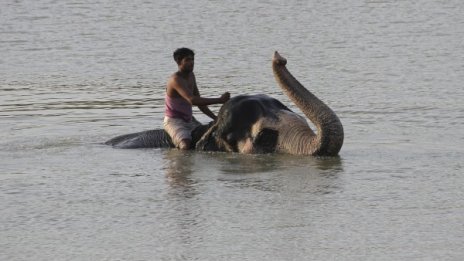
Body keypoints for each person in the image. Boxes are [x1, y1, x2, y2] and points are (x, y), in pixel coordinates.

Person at [164, 48, 230, 150]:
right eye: (187, 60)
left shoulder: (191, 76)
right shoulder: (175, 80)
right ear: (178, 62)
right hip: (174, 121)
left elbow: (200, 104)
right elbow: (193, 100)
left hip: (189, 120)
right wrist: (219, 100)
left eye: (192, 59)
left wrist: (215, 118)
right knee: (185, 145)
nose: (191, 63)